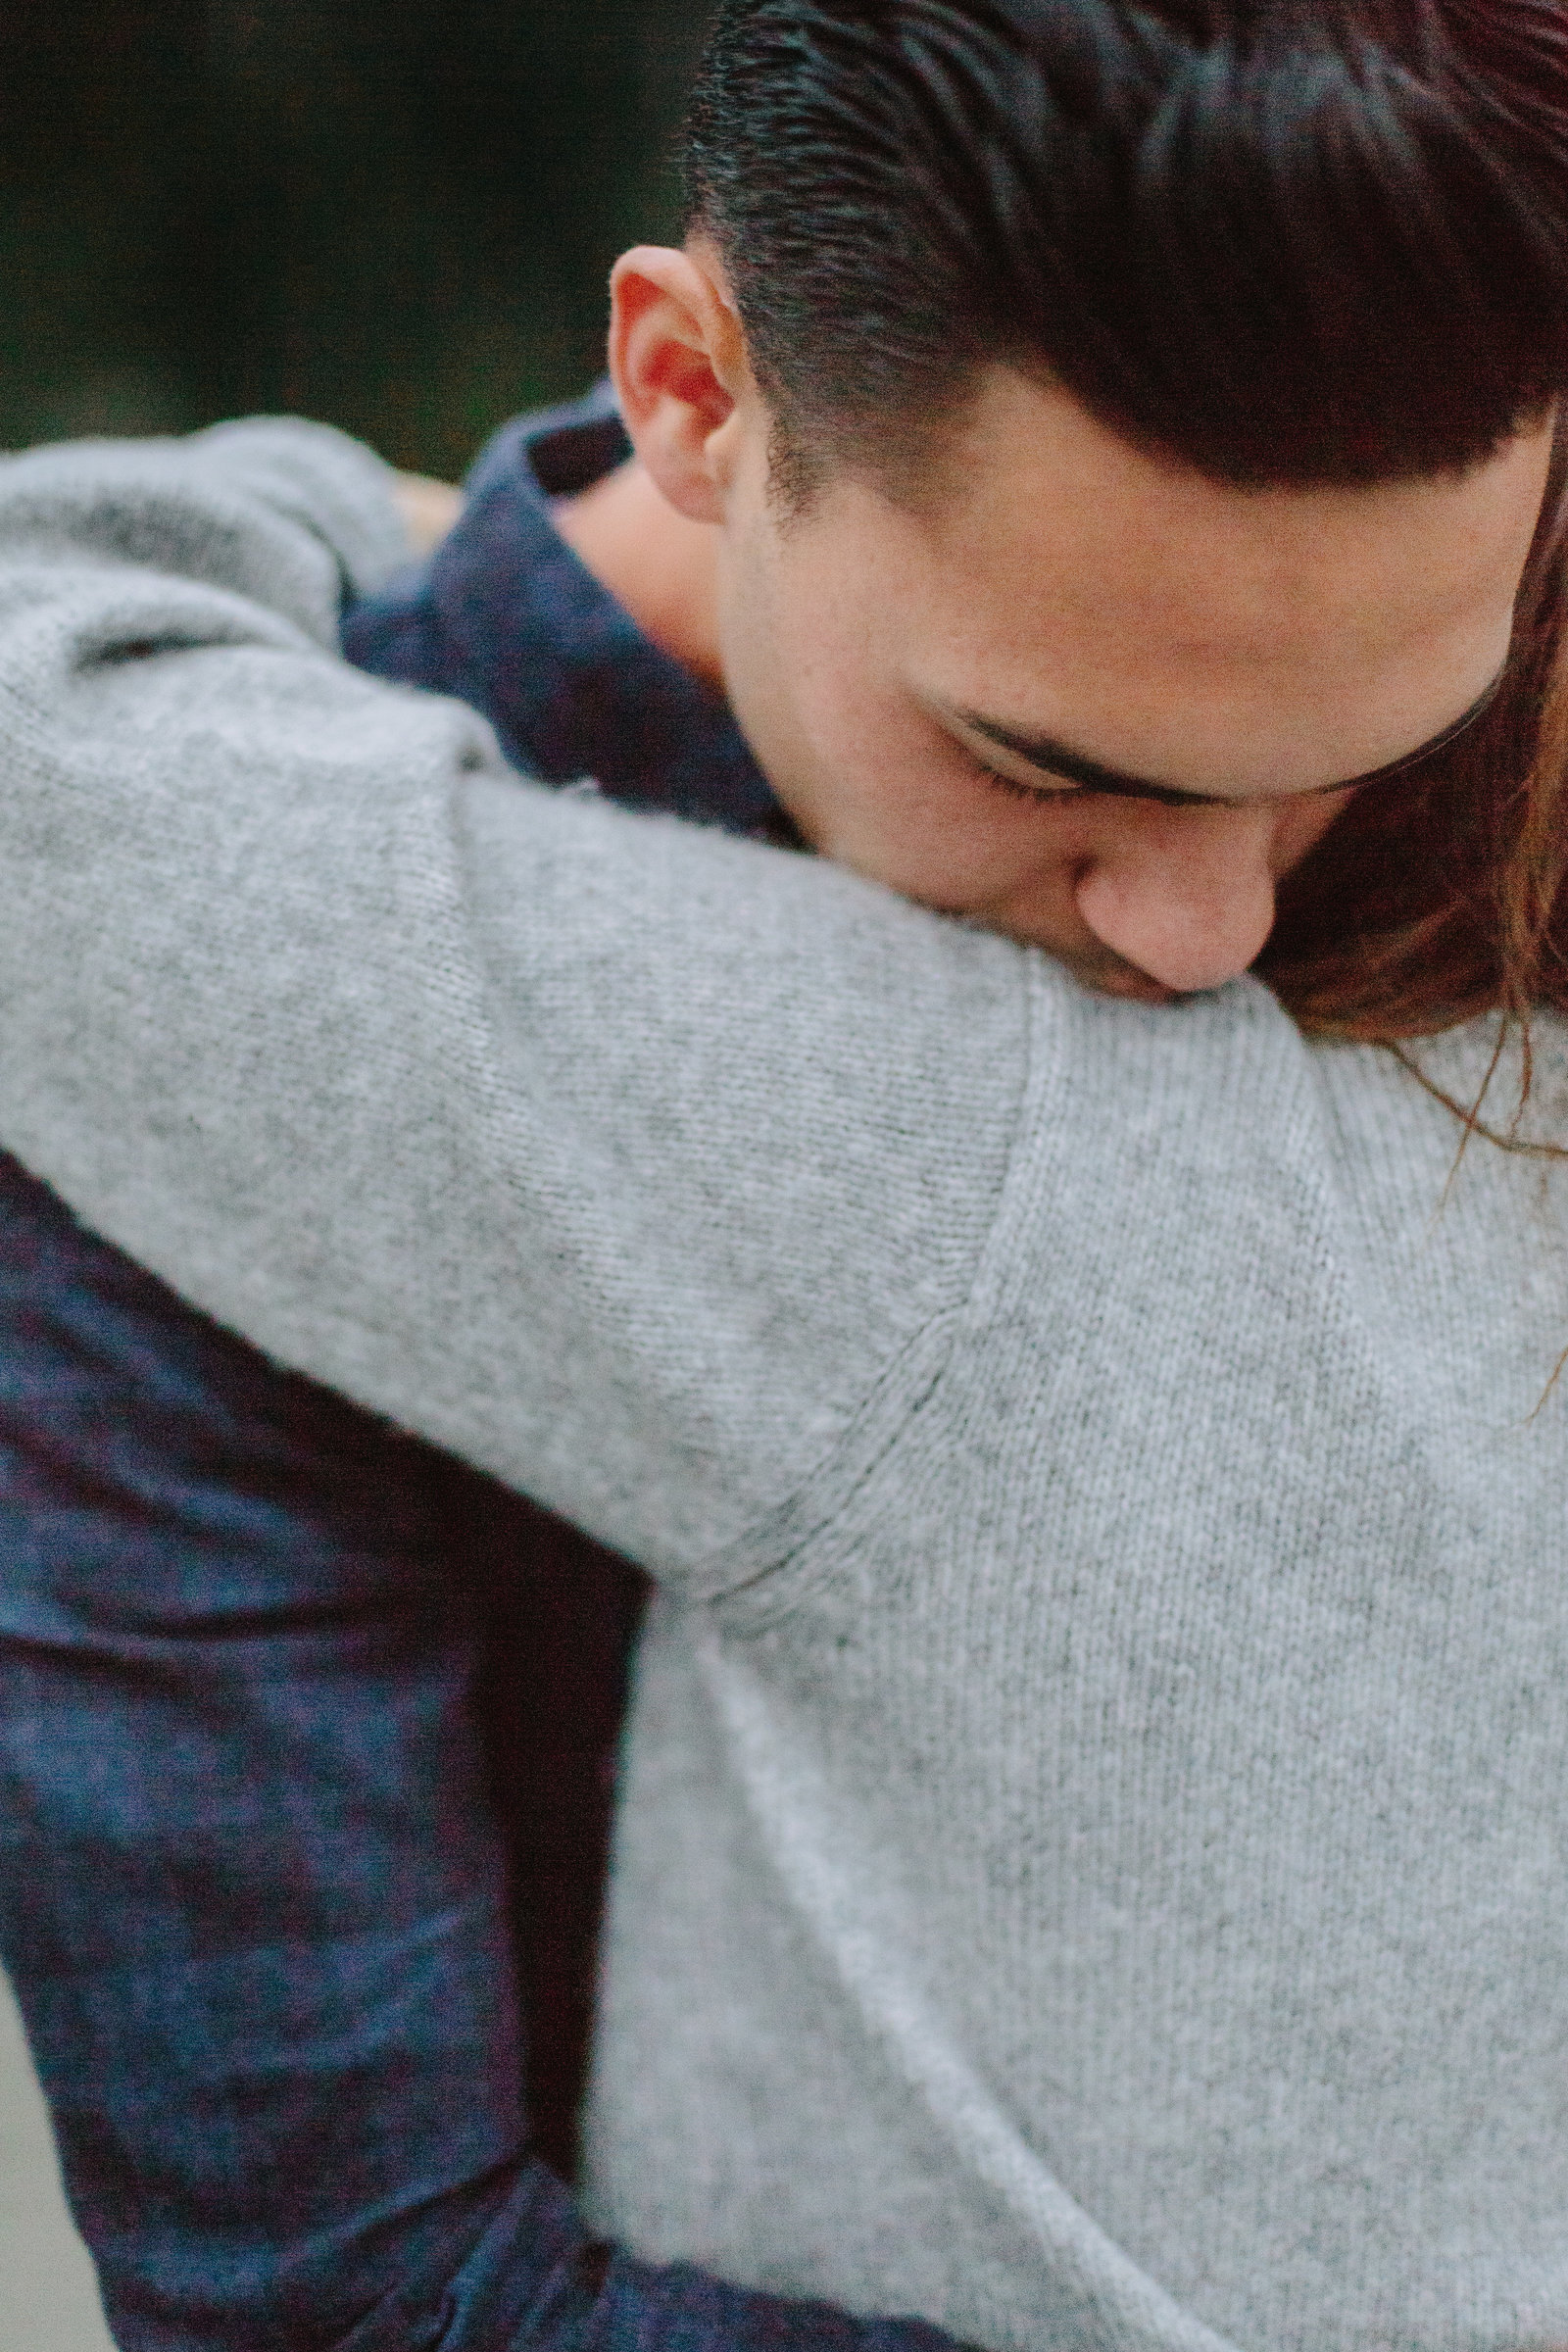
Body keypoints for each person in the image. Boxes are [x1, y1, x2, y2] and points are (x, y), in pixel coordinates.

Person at [3, 3, 1568, 2349]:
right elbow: (342, 2296)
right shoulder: (207, 1044)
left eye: (1369, 740)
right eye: (1052, 759)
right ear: (693, 394)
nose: (1208, 925)